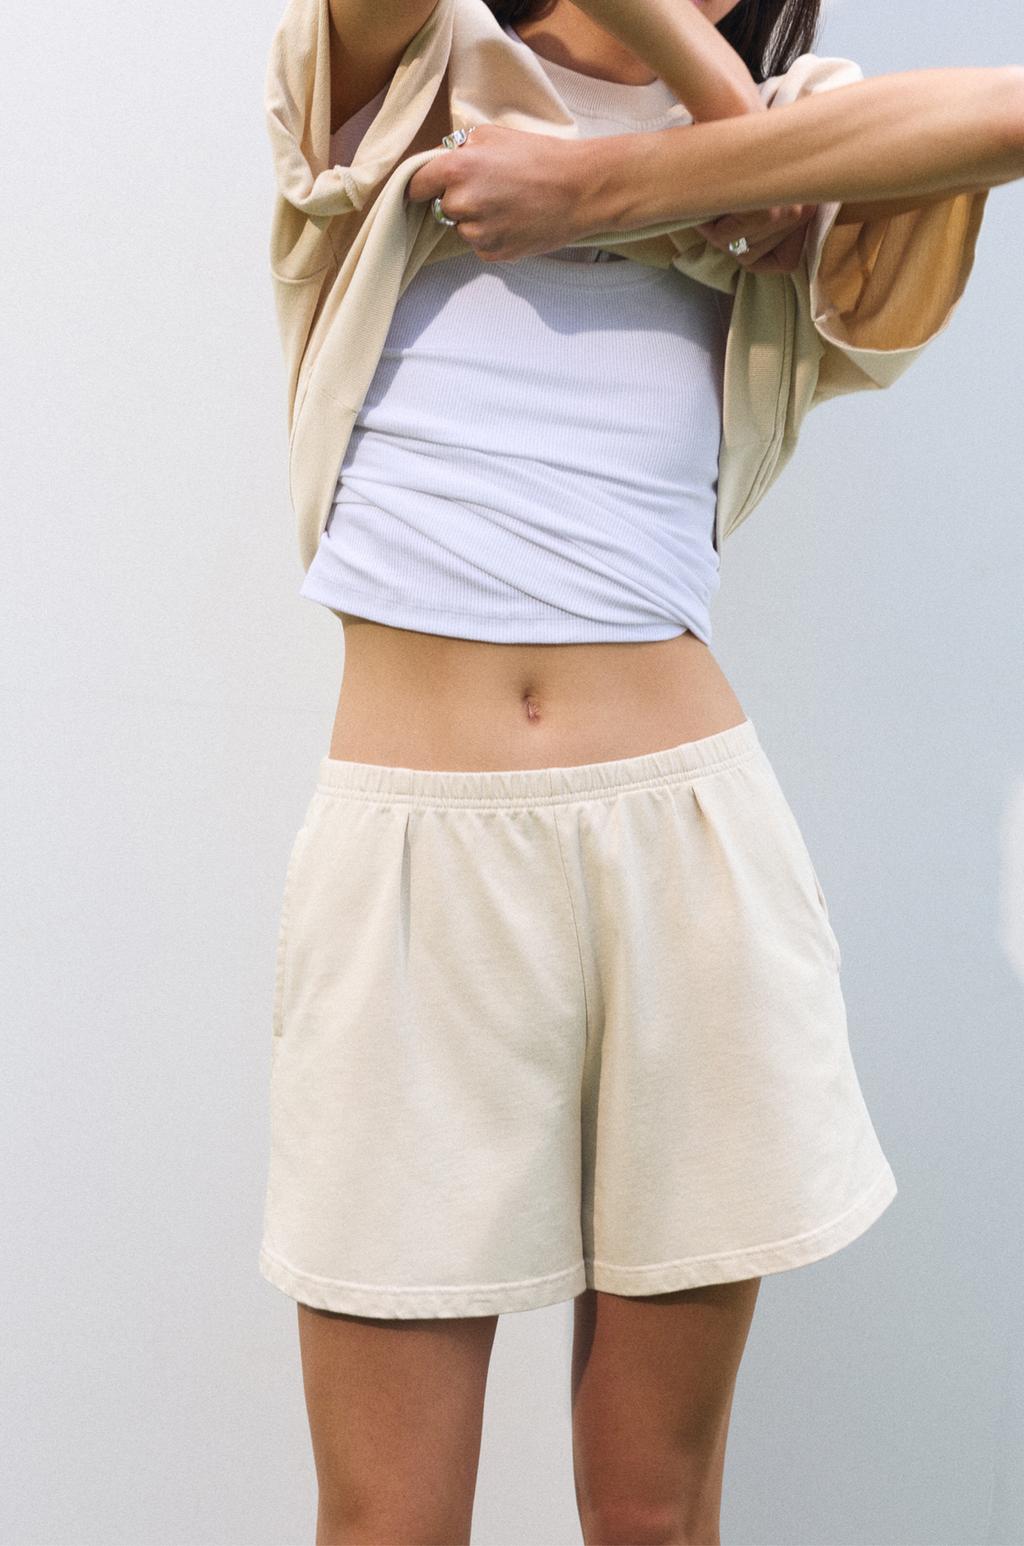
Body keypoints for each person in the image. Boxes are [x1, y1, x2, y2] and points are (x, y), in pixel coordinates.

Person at [257, 0, 1022, 1539]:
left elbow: (1007, 112)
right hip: (413, 867)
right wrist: (718, 114)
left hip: (688, 860)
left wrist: (622, 175)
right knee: (386, 1517)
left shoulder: (802, 128)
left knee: (655, 1514)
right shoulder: (405, 66)